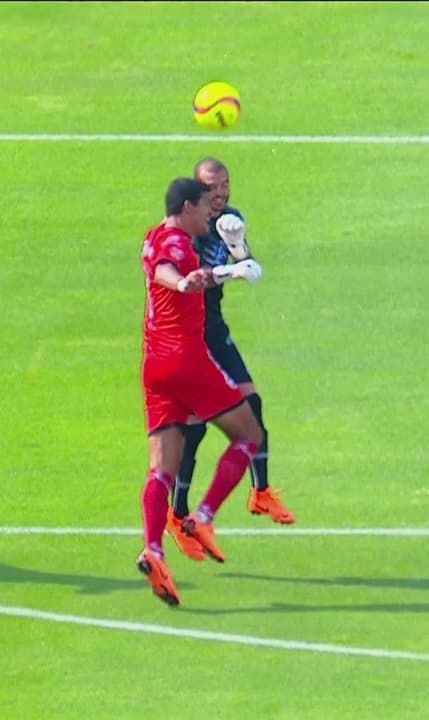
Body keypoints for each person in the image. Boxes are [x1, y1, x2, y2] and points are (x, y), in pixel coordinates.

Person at [137, 178, 264, 606]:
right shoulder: (175, 245)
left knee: (161, 469)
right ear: (187, 207)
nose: (211, 214)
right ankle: (203, 517)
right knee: (249, 435)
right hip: (186, 359)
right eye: (205, 207)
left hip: (154, 365)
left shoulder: (155, 235)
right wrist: (224, 272)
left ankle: (153, 552)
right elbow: (175, 276)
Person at [165, 158, 295, 562]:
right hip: (188, 332)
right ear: (196, 191)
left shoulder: (229, 217)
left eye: (225, 185)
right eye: (211, 187)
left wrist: (240, 248)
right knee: (193, 429)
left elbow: (245, 262)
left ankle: (260, 492)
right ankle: (178, 515)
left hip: (214, 325)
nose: (220, 193)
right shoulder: (187, 228)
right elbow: (194, 279)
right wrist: (232, 269)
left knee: (252, 403)